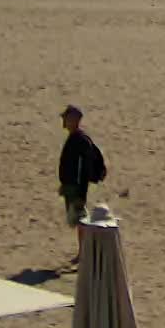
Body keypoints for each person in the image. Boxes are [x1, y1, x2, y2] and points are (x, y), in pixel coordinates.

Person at [57, 105, 106, 265]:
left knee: (81, 220)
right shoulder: (75, 138)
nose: (64, 121)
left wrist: (81, 194)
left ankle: (85, 253)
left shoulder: (80, 140)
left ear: (74, 120)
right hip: (71, 187)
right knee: (79, 221)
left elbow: (84, 170)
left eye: (66, 118)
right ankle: (83, 252)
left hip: (76, 189)